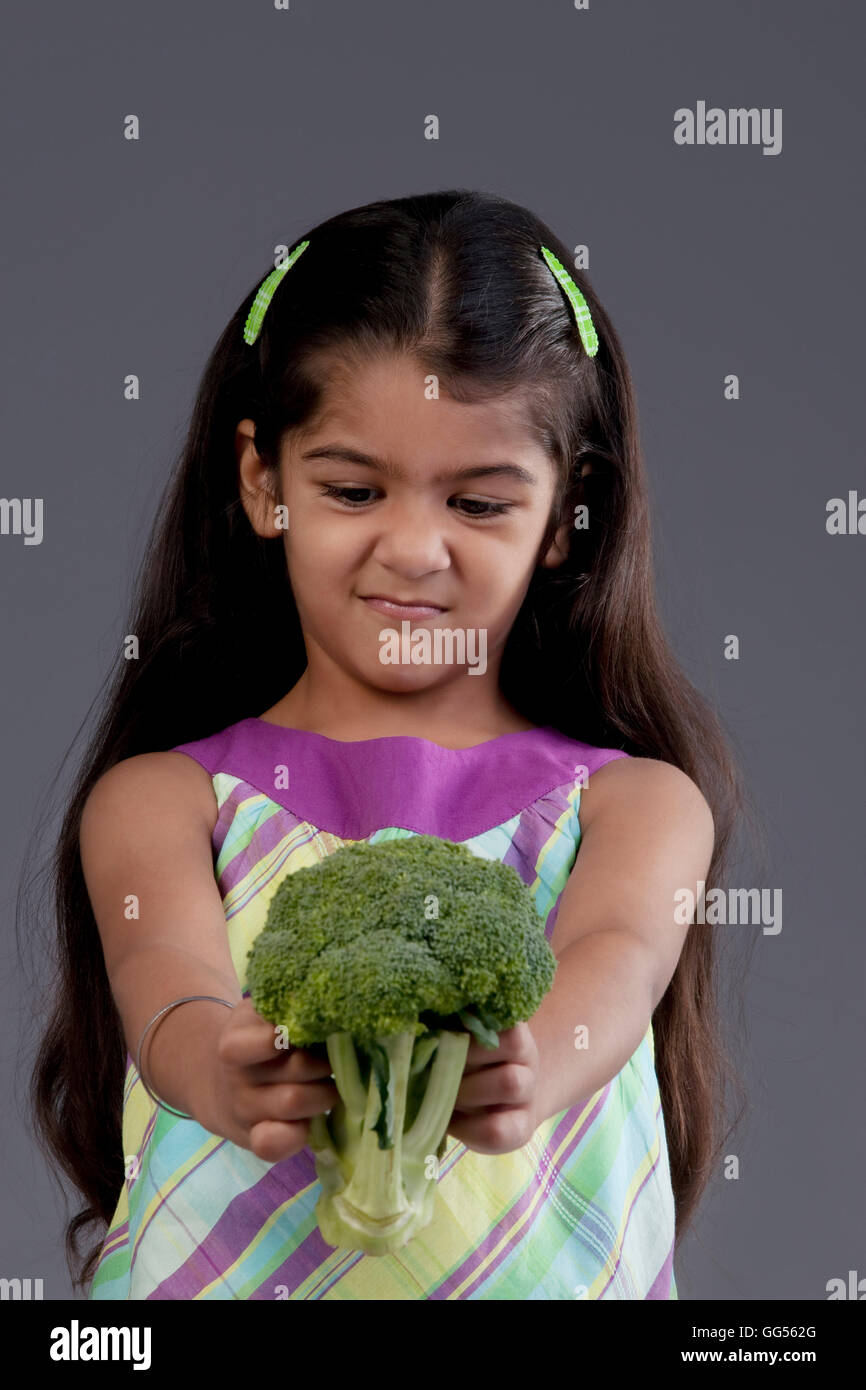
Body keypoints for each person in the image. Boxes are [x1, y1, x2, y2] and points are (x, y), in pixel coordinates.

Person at [29, 189, 760, 1299]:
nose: (413, 549)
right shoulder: (165, 799)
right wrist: (218, 1070)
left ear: (567, 516)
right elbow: (163, 976)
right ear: (263, 482)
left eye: (477, 504)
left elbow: (614, 960)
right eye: (352, 488)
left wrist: (532, 1063)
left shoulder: (637, 807)